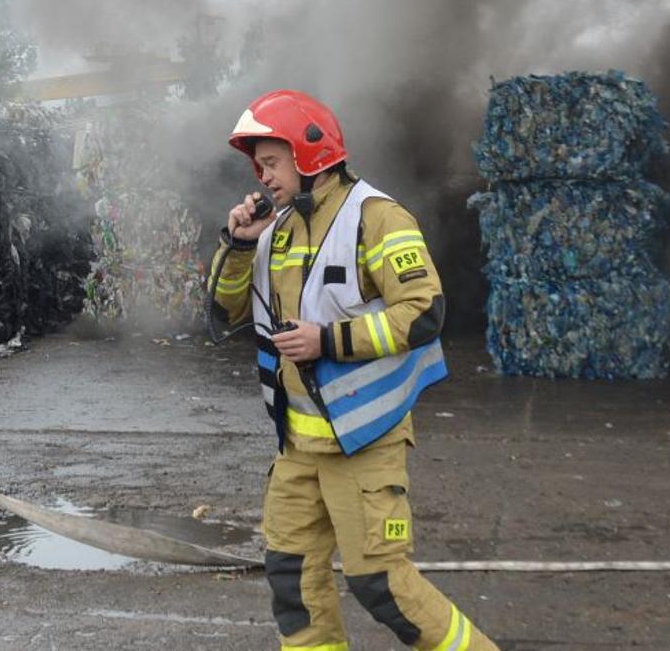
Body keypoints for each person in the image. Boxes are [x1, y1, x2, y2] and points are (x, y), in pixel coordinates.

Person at [208, 90, 497, 650]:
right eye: (259, 167)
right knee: (293, 581)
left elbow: (423, 312)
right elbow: (226, 313)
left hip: (364, 441)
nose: (263, 178)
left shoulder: (377, 218)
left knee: (381, 585)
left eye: (271, 162)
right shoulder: (276, 229)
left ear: (308, 152)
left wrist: (328, 340)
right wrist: (239, 247)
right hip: (297, 449)